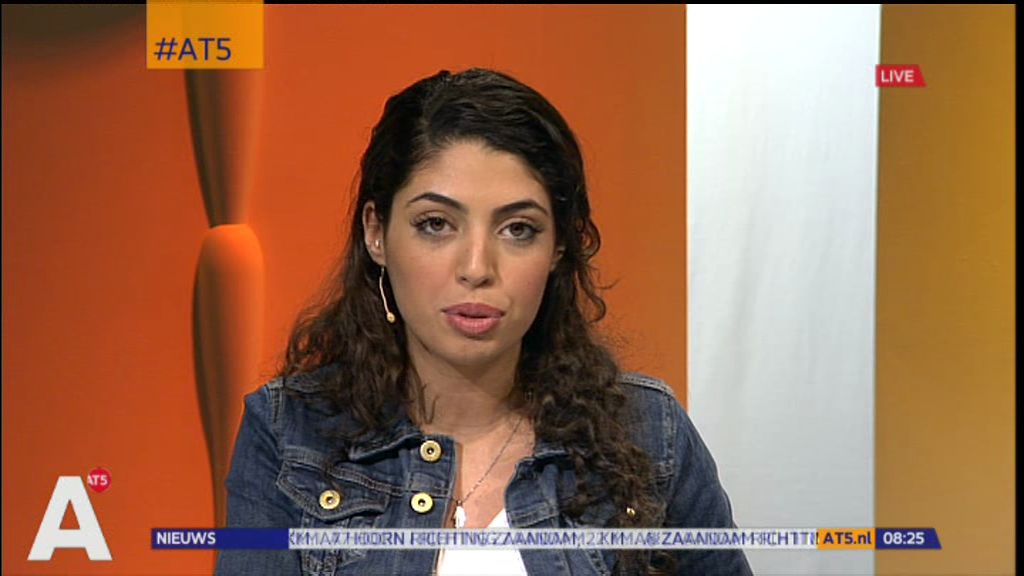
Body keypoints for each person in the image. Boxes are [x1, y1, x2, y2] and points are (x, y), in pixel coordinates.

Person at [216, 68, 752, 576]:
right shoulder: (290, 432)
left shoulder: (648, 432)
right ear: (376, 233)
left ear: (559, 247)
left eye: (518, 229)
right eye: (436, 224)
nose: (476, 268)